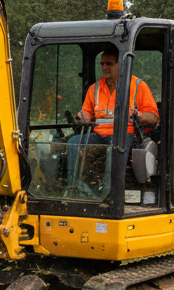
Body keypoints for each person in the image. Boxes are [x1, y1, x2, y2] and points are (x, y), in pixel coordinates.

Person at [67, 46, 158, 195]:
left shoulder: (138, 86)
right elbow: (87, 113)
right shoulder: (94, 88)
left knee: (114, 147)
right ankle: (76, 188)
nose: (104, 67)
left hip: (124, 134)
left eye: (109, 64)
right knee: (73, 142)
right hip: (98, 135)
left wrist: (139, 117)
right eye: (102, 64)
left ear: (120, 64)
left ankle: (109, 193)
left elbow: (153, 118)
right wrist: (81, 116)